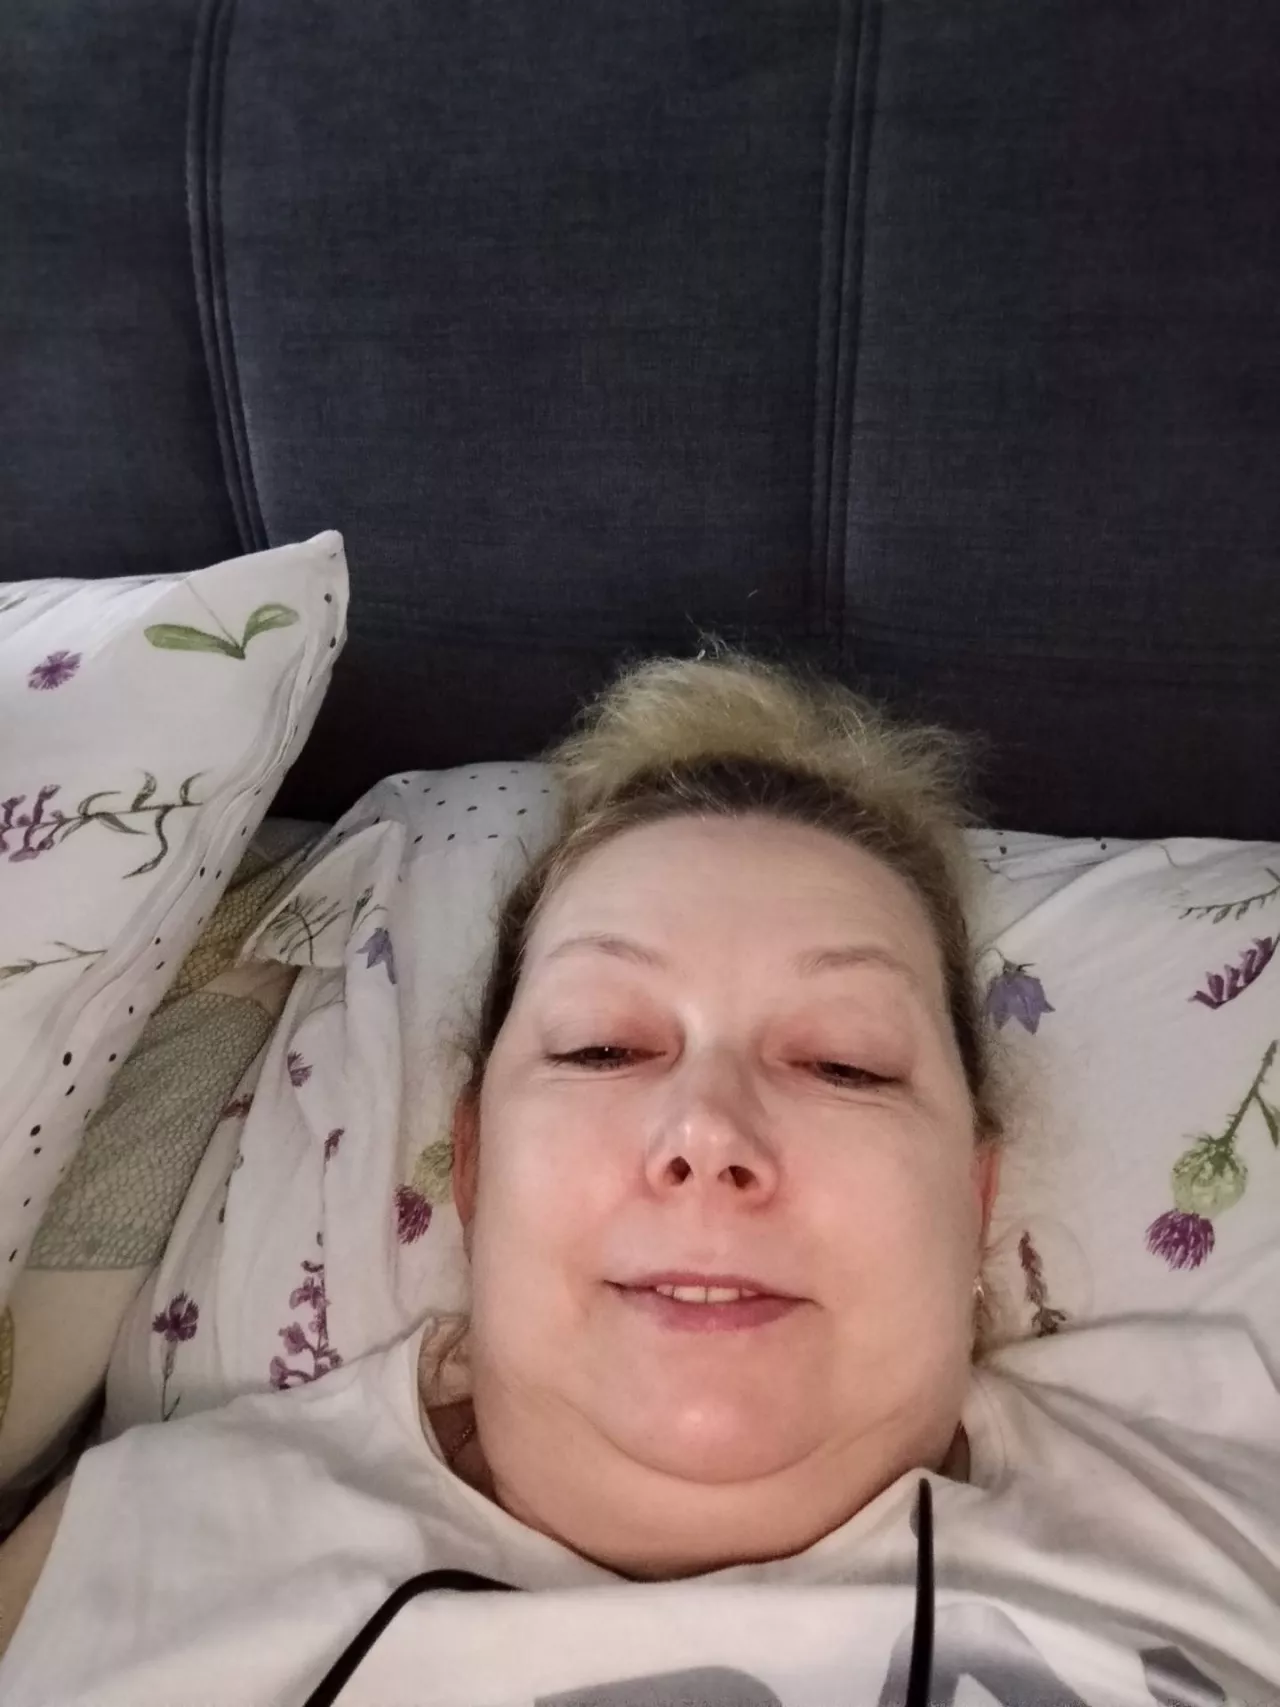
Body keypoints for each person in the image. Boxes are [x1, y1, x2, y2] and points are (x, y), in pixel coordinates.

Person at [0, 650, 1277, 1707]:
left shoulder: (1225, 1534)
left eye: (842, 1063)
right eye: (602, 1047)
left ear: (975, 1199)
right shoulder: (129, 1562)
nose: (706, 1131)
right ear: (475, 1170)